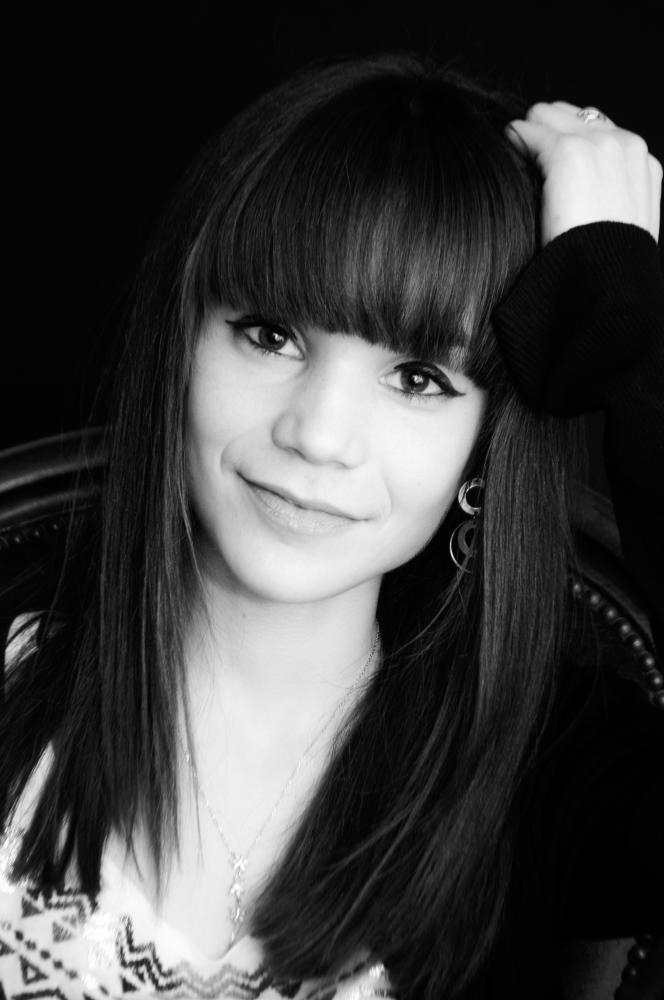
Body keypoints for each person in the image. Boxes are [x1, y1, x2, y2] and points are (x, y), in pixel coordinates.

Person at [0, 51, 662, 1000]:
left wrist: (626, 320)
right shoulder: (17, 675)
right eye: (270, 335)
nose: (317, 434)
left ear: (483, 449)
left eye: (418, 379)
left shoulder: (548, 773)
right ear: (181, 344)